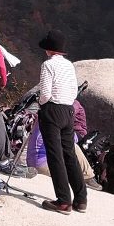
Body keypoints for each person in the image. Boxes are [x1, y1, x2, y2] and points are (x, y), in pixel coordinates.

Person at [36, 31, 86, 215]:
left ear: (49, 49)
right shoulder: (69, 66)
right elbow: (74, 91)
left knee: (54, 155)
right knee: (69, 154)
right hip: (68, 110)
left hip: (52, 110)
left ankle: (64, 201)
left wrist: (41, 104)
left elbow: (45, 92)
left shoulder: (47, 65)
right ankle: (81, 199)